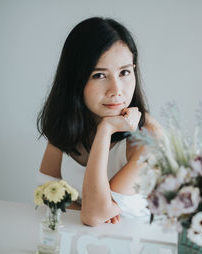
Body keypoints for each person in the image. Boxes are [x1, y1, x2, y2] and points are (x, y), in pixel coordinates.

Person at [37, 17, 159, 226]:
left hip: (134, 253)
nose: (117, 90)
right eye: (100, 75)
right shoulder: (68, 125)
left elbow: (93, 215)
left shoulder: (148, 138)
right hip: (78, 247)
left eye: (124, 72)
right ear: (75, 79)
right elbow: (45, 192)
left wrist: (105, 129)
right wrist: (85, 206)